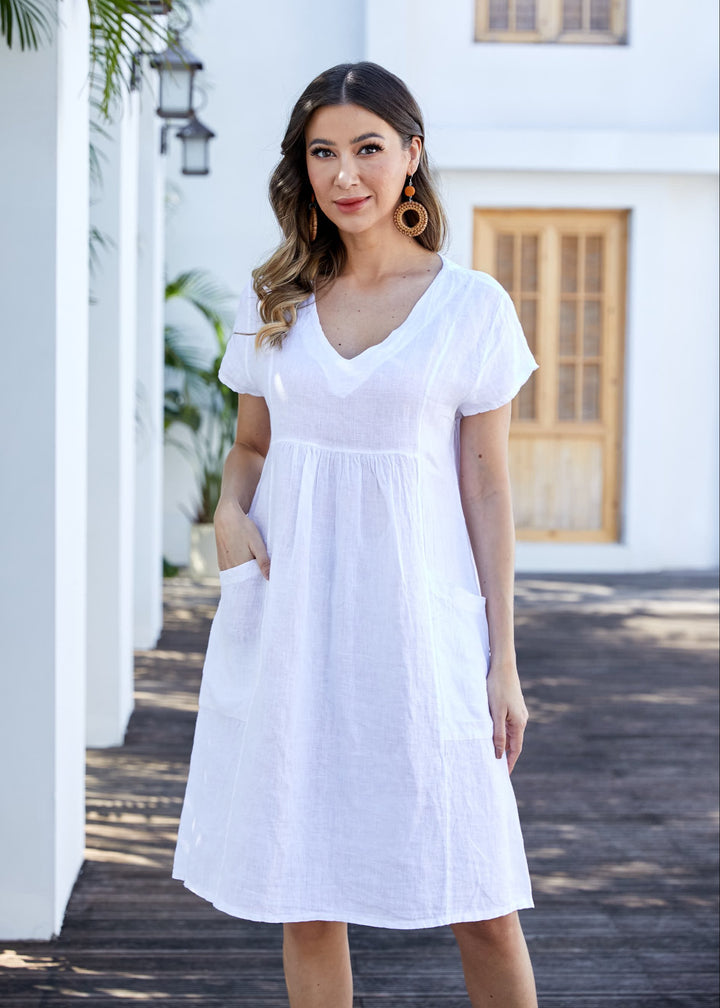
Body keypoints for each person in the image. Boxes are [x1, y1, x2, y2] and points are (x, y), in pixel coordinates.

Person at [173, 62, 539, 1008]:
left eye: (368, 149)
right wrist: (227, 505)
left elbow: (488, 488)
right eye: (323, 153)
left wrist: (502, 660)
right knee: (308, 893)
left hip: (422, 625)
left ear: (411, 157)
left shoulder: (472, 307)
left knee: (480, 891)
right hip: (295, 615)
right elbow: (252, 447)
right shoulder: (276, 303)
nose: (346, 175)